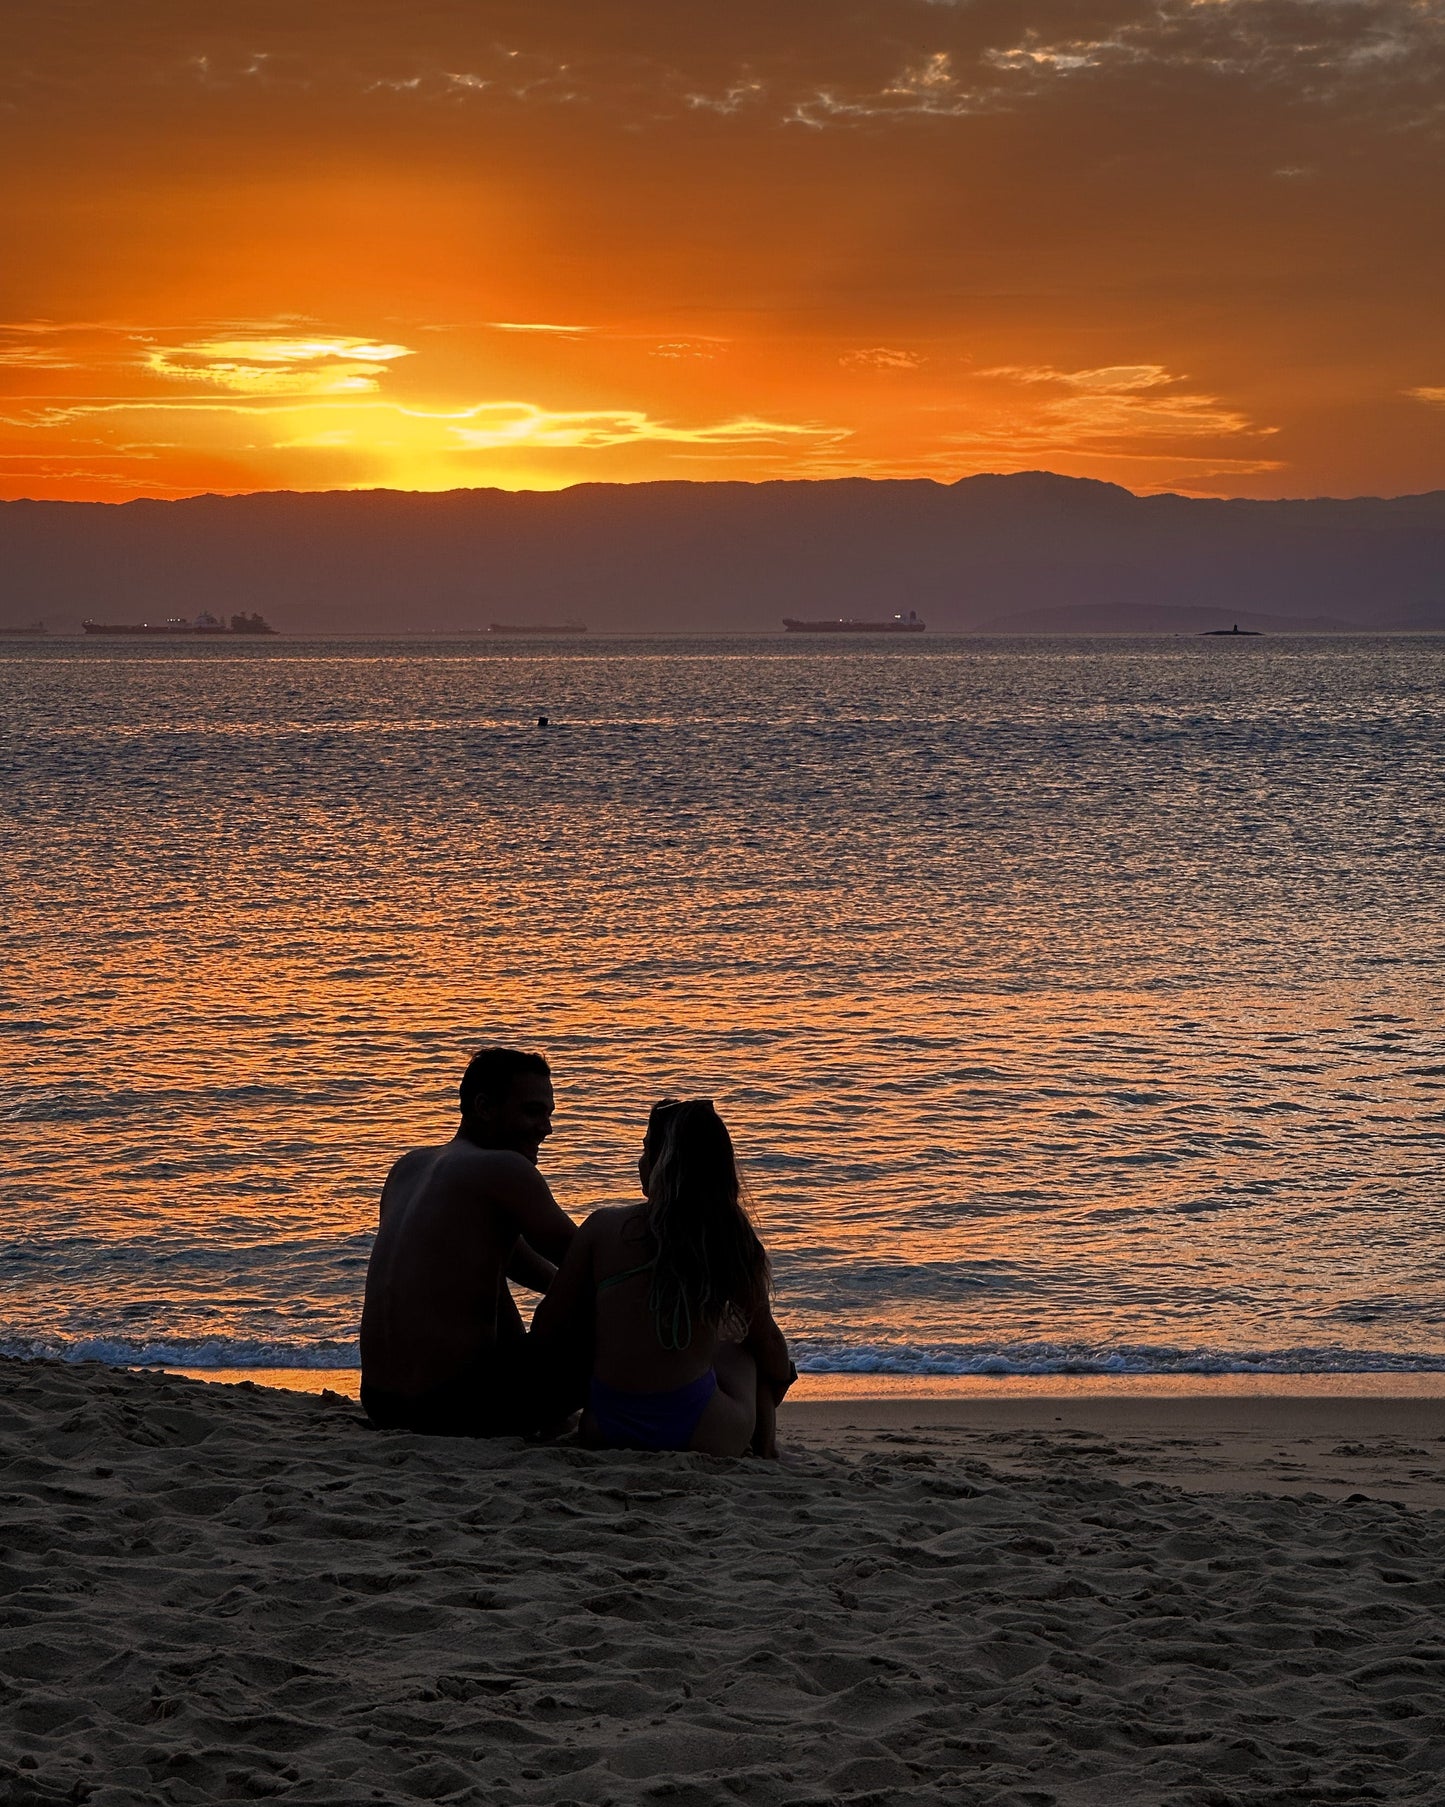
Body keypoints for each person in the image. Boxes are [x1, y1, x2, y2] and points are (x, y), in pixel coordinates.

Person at [530, 1098, 794, 1457]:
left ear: (660, 1164)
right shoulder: (728, 1238)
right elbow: (767, 1344)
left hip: (606, 1426)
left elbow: (548, 1326)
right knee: (745, 1348)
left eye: (645, 1150)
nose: (639, 1163)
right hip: (699, 1428)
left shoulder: (602, 1227)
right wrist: (781, 1376)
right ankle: (766, 1450)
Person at [359, 1047, 578, 1437]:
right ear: (484, 1107)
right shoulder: (506, 1169)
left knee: (487, 1274)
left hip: (381, 1402)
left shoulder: (409, 1166)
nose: (546, 1128)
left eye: (549, 1115)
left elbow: (498, 1254)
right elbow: (585, 1257)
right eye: (532, 1112)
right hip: (456, 1407)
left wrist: (556, 1286)